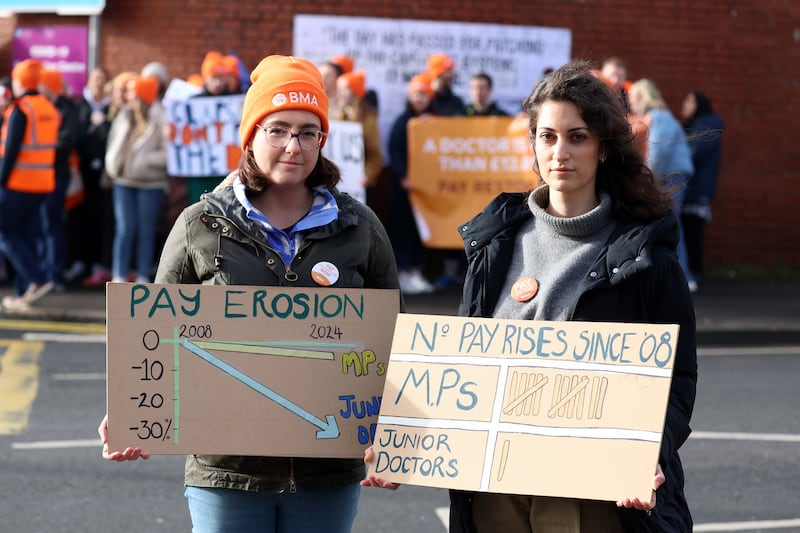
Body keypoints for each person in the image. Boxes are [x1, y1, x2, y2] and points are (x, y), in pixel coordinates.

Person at [364, 60, 697, 533]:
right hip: (494, 488)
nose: (560, 151)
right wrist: (404, 441)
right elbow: (460, 368)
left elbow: (677, 377)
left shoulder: (645, 256)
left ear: (603, 147)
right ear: (533, 145)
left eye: (577, 136)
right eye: (547, 136)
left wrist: (650, 450)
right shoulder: (495, 245)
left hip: (593, 489)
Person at [98, 54, 399, 533]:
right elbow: (152, 334)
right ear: (251, 137)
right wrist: (131, 409)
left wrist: (396, 431)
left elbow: (393, 342)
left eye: (307, 132)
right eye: (277, 129)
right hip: (227, 473)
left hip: (328, 474)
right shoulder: (199, 224)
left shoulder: (359, 227)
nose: (293, 146)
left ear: (323, 140)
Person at [0, 59, 60, 309]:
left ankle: (36, 279)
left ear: (20, 81)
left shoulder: (20, 109)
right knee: (26, 236)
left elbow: (10, 151)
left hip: (17, 183)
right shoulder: (47, 107)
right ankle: (25, 292)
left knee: (5, 233)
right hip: (43, 183)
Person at [628, 78, 697, 293]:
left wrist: (646, 176)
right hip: (671, 174)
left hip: (669, 176)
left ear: (641, 97)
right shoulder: (659, 116)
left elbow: (658, 149)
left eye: (632, 98)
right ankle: (682, 275)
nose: (630, 103)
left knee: (671, 223)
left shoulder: (659, 116)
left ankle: (684, 276)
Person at [105, 75, 168, 283]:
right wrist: (112, 164)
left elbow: (168, 153)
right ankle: (119, 275)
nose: (129, 98)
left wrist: (145, 160)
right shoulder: (124, 115)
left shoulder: (161, 118)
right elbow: (112, 143)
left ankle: (142, 275)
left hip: (151, 183)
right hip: (123, 182)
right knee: (124, 230)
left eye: (133, 94)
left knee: (145, 231)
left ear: (142, 97)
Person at [386, 73, 436, 295]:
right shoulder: (402, 120)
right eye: (416, 94)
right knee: (403, 229)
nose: (419, 99)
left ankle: (416, 272)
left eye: (424, 95)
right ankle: (403, 273)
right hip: (403, 189)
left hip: (427, 190)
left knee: (420, 231)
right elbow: (394, 150)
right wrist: (402, 175)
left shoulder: (434, 120)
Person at [38, 68, 79, 291]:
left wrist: (42, 151)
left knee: (51, 225)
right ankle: (44, 274)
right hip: (40, 176)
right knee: (43, 226)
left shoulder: (65, 107)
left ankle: (54, 276)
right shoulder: (46, 106)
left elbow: (67, 140)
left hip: (55, 176)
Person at [70, 66, 111, 285]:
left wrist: (102, 124)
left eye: (102, 79)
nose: (98, 83)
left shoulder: (109, 107)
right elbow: (76, 135)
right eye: (95, 79)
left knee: (101, 217)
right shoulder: (81, 106)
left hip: (102, 172)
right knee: (80, 216)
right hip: (82, 170)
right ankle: (79, 260)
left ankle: (97, 261)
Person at [681, 91, 723, 287]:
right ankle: (694, 271)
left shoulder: (705, 125)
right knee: (691, 231)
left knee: (692, 231)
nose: (685, 105)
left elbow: (695, 153)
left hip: (696, 189)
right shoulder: (695, 125)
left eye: (689, 101)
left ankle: (695, 272)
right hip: (695, 188)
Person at [333, 69, 384, 204]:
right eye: (338, 89)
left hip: (359, 186)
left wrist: (367, 176)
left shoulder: (369, 120)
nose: (339, 94)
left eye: (344, 89)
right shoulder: (336, 118)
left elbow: (375, 156)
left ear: (355, 92)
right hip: (339, 185)